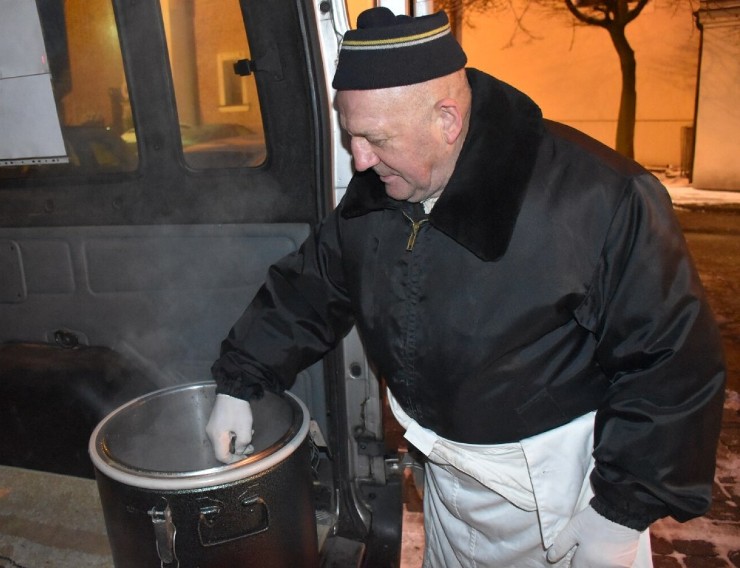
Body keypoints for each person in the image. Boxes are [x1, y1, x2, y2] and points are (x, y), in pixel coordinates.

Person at [205, 7, 726, 567]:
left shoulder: (598, 197)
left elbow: (671, 362)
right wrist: (241, 380)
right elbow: (311, 288)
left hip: (563, 499)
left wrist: (622, 511)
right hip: (448, 481)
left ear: (447, 119)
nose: (359, 159)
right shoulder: (385, 186)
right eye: (351, 136)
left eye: (375, 138)